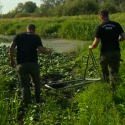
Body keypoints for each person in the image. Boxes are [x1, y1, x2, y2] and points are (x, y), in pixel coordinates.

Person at [9, 24, 52, 106]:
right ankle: (38, 100)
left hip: (22, 64)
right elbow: (41, 50)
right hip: (33, 64)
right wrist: (48, 52)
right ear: (34, 30)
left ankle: (27, 104)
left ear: (27, 29)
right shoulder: (36, 37)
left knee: (25, 85)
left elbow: (11, 47)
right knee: (37, 83)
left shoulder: (19, 36)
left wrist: (12, 60)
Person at [89, 9, 125, 90]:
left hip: (105, 53)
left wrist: (91, 47)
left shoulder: (100, 27)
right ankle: (113, 89)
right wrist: (118, 40)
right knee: (114, 70)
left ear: (101, 17)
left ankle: (106, 85)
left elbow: (96, 43)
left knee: (104, 69)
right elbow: (124, 37)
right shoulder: (117, 25)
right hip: (116, 52)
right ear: (108, 16)